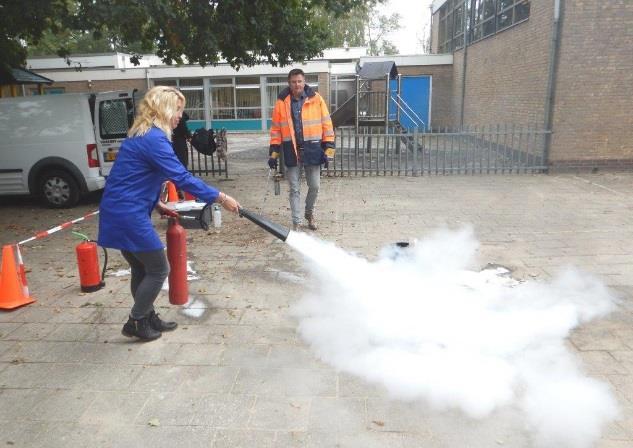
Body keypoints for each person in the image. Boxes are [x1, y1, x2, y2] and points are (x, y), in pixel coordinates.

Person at [98, 86, 240, 341]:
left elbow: (132, 178)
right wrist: (220, 197)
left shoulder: (142, 135)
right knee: (159, 268)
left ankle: (147, 315)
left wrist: (156, 204)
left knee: (141, 269)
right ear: (164, 108)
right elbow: (181, 176)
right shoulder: (153, 139)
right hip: (127, 214)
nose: (180, 116)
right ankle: (136, 320)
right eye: (178, 110)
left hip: (122, 210)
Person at [268, 68, 335, 231]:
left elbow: (327, 124)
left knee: (315, 186)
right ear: (289, 83)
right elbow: (276, 129)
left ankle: (309, 213)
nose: (296, 84)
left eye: (299, 81)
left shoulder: (316, 99)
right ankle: (296, 221)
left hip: (313, 149)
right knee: (294, 189)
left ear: (304, 82)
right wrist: (273, 153)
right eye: (293, 81)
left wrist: (329, 150)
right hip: (291, 151)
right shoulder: (281, 102)